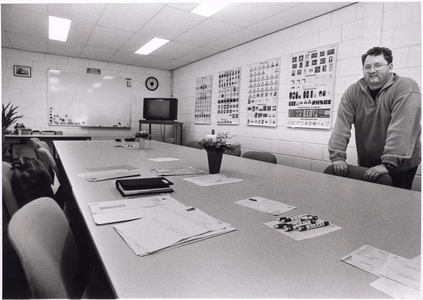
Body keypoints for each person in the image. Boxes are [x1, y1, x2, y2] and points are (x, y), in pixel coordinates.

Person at [328, 47, 421, 189]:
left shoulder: (405, 86)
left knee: (394, 204)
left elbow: (403, 128)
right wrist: (337, 157)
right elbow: (341, 125)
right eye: (367, 67)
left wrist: (388, 164)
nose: (372, 70)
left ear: (390, 67)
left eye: (378, 65)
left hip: (401, 163)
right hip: (368, 162)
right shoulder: (353, 92)